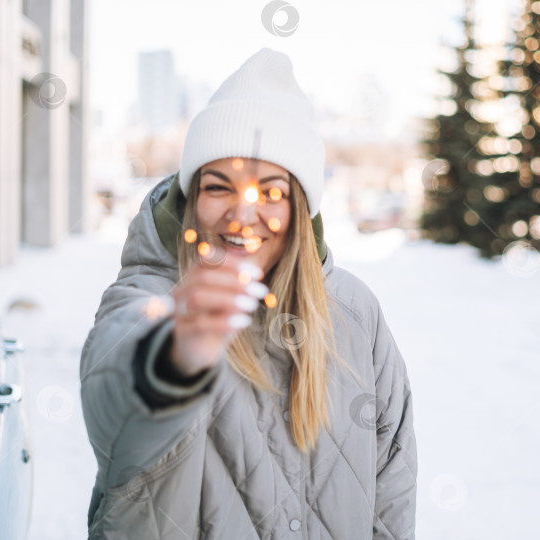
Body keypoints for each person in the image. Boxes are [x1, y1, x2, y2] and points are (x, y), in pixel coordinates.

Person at [80, 47, 417, 539]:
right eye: (218, 187)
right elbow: (117, 393)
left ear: (300, 207)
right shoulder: (151, 295)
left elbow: (393, 480)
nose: (243, 215)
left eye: (271, 192)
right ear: (191, 199)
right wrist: (172, 355)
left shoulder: (354, 310)